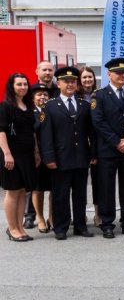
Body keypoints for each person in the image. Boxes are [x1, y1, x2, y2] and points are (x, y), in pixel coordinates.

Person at [91, 57, 124, 238]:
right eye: (118, 73)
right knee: (106, 187)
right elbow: (98, 121)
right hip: (108, 149)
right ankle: (107, 223)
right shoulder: (99, 95)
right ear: (109, 74)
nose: (122, 76)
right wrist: (116, 141)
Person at [39, 67, 94, 240]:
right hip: (60, 158)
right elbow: (46, 135)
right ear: (59, 83)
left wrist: (93, 154)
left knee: (80, 194)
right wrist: (49, 157)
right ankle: (61, 227)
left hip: (81, 156)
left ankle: (80, 226)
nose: (70, 84)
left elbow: (91, 132)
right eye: (66, 81)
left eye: (73, 81)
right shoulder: (50, 106)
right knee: (60, 195)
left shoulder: (85, 105)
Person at [0, 73, 38, 241]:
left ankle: (20, 227)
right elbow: (1, 132)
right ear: (12, 87)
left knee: (23, 191)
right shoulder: (5, 106)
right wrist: (7, 154)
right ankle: (12, 228)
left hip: (27, 155)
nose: (23, 87)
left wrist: (36, 152)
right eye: (19, 84)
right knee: (13, 191)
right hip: (12, 155)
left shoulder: (28, 106)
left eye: (25, 84)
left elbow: (32, 132)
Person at [30, 83, 55, 234]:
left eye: (45, 95)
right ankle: (40, 218)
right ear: (33, 98)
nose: (43, 97)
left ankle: (52, 217)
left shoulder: (52, 110)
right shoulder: (30, 113)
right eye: (39, 94)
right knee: (38, 189)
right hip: (37, 156)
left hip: (52, 155)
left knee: (54, 188)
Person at [78, 66, 100, 226]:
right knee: (79, 182)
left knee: (98, 181)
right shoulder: (75, 97)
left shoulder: (99, 96)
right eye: (84, 77)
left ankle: (98, 214)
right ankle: (81, 214)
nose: (87, 80)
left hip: (97, 144)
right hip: (79, 145)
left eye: (90, 77)